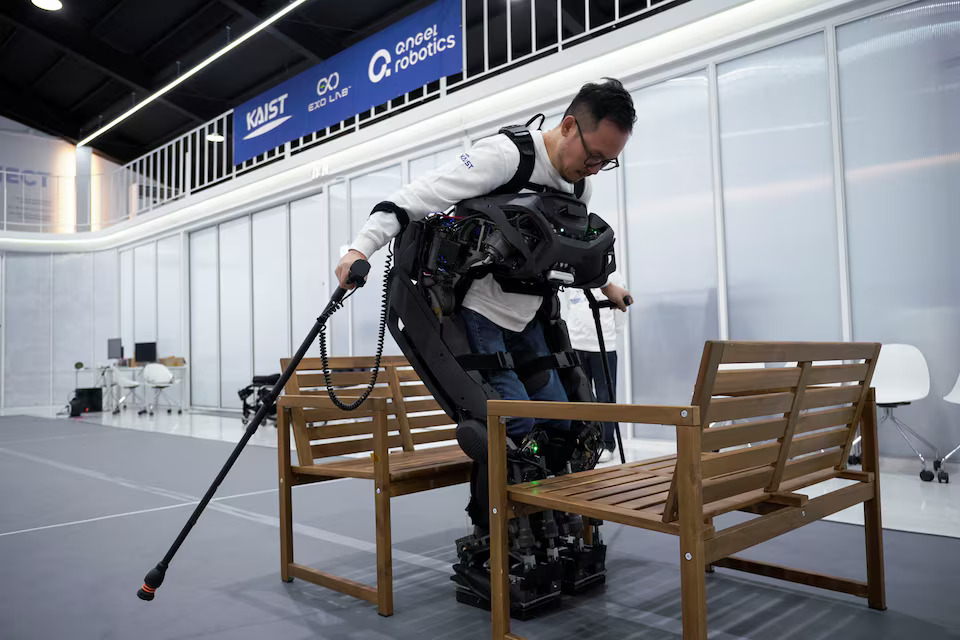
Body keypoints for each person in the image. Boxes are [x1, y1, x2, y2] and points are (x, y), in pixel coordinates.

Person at [335, 78, 635, 443]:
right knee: (514, 425)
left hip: (531, 316)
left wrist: (607, 285)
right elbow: (419, 195)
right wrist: (360, 248)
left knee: (560, 424)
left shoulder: (579, 187)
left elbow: (569, 246)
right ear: (569, 125)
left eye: (607, 161)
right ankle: (490, 501)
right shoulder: (508, 156)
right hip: (480, 314)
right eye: (594, 156)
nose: (595, 168)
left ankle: (543, 498)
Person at [564, 270, 628, 462]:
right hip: (576, 343)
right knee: (580, 396)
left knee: (605, 396)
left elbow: (621, 307)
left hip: (603, 345)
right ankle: (584, 444)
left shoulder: (613, 276)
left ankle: (607, 443)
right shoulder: (574, 273)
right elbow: (569, 304)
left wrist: (614, 334)